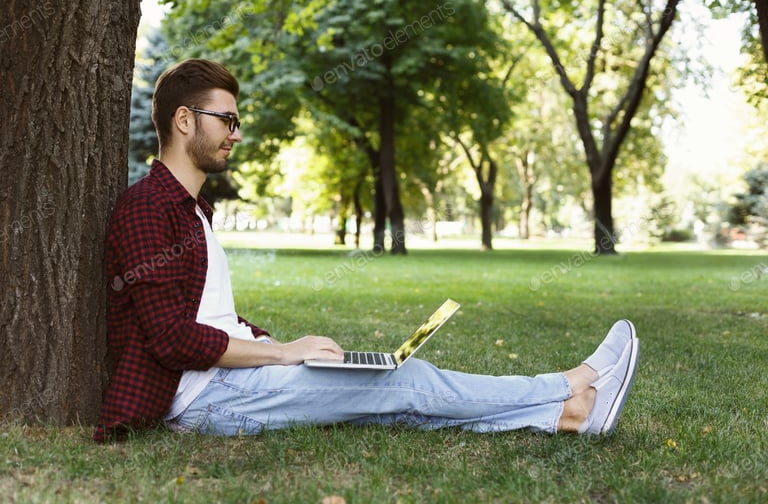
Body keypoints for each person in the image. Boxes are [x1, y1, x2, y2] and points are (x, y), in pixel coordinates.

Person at [94, 59, 639, 442]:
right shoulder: (147, 207)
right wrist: (284, 354)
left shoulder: (192, 210)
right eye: (227, 119)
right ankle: (569, 385)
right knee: (404, 382)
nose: (236, 133)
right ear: (184, 120)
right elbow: (172, 339)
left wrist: (281, 344)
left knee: (394, 398)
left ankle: (566, 416)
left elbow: (208, 317)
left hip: (230, 382)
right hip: (207, 400)